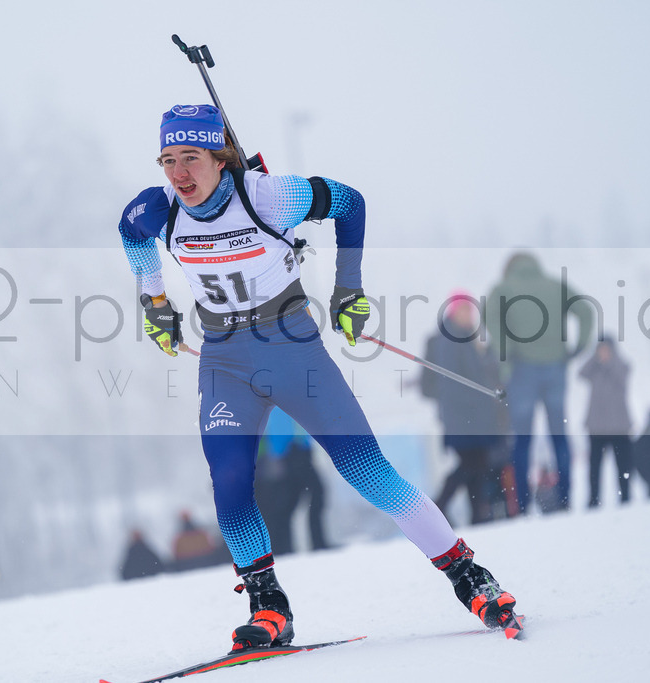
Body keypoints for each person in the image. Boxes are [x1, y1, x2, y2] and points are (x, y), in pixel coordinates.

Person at [117, 104, 523, 650]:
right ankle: (269, 609)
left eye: (190, 158)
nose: (177, 173)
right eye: (167, 160)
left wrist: (348, 289)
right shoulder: (159, 209)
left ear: (221, 156)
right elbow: (129, 232)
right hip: (225, 360)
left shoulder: (268, 196)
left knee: (370, 474)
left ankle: (468, 576)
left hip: (293, 350)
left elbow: (350, 203)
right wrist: (155, 302)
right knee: (231, 485)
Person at [485, 252, 595, 513]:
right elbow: (585, 311)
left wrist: (505, 357)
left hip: (522, 370)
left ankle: (522, 505)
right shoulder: (556, 285)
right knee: (559, 433)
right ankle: (566, 498)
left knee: (522, 439)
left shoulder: (503, 288)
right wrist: (578, 348)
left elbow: (490, 319)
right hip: (556, 367)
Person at [420, 291, 504, 526]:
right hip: (464, 417)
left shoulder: (465, 337)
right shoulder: (451, 339)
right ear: (454, 312)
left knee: (477, 465)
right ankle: (438, 505)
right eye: (465, 310)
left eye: (471, 311)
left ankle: (477, 515)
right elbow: (453, 383)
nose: (470, 315)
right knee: (471, 464)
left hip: (470, 417)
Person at [255, 407, 330, 554]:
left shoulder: (285, 395)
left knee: (288, 503)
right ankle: (317, 543)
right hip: (294, 451)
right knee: (315, 494)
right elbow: (278, 424)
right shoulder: (279, 397)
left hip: (296, 452)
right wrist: (282, 451)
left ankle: (283, 548)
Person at [578, 337, 634, 507]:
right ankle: (594, 499)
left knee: (623, 466)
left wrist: (608, 362)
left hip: (619, 427)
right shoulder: (594, 369)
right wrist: (595, 359)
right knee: (594, 468)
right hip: (597, 427)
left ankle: (625, 497)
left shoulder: (621, 366)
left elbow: (622, 375)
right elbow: (581, 373)